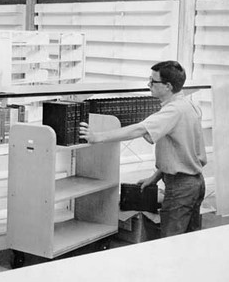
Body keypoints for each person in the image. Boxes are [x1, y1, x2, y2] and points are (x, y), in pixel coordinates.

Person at [79, 60, 207, 238]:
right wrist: (155, 177)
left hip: (181, 188)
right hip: (195, 183)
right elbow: (183, 151)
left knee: (171, 241)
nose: (148, 84)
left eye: (153, 81)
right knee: (189, 240)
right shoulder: (188, 105)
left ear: (168, 86)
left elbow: (139, 129)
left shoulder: (173, 111)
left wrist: (97, 137)